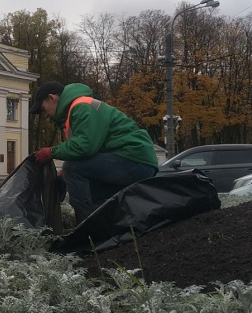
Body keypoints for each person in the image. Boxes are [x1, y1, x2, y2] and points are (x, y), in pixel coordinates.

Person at [30, 81, 158, 224]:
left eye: (43, 108)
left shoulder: (81, 107)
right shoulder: (77, 110)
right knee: (90, 190)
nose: (45, 115)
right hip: (136, 160)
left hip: (133, 159)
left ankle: (86, 229)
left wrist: (52, 152)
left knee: (72, 169)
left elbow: (85, 146)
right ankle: (111, 227)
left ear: (52, 98)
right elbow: (90, 153)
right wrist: (65, 176)